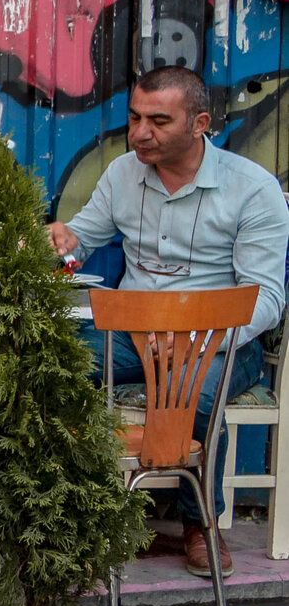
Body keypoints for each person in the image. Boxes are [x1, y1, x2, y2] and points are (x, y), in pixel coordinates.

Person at [49, 66, 289, 573]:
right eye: (135, 117)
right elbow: (83, 238)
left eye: (158, 120)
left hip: (220, 341)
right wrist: (64, 241)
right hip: (134, 334)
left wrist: (201, 341)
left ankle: (201, 522)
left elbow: (266, 298)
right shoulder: (121, 174)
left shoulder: (252, 190)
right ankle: (59, 511)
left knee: (191, 394)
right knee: (48, 362)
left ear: (200, 122)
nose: (140, 132)